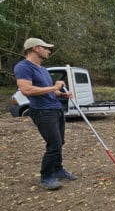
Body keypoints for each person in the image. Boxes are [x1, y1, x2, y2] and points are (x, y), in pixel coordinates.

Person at [13, 38, 77, 190]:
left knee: (60, 142)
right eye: (46, 48)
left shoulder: (42, 69)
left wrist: (61, 94)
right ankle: (46, 176)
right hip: (42, 111)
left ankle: (58, 169)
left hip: (55, 109)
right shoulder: (23, 67)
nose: (48, 51)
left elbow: (51, 91)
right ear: (35, 48)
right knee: (54, 144)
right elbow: (26, 90)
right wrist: (53, 87)